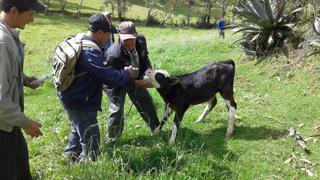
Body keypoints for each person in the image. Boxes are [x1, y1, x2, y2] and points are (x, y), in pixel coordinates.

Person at [58, 13, 150, 163]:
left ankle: (71, 159)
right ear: (100, 32)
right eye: (107, 34)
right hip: (81, 100)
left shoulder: (77, 39)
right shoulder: (90, 52)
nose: (108, 38)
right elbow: (109, 77)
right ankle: (87, 169)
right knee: (91, 139)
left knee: (77, 128)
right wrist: (126, 73)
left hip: (69, 95)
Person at [0, 0, 46, 179]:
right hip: (3, 126)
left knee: (20, 168)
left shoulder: (8, 36)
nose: (32, 20)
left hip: (9, 123)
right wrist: (26, 123)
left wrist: (24, 79)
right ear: (13, 11)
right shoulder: (3, 43)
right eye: (30, 15)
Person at [104, 21, 160, 144]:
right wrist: (137, 83)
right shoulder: (113, 55)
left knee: (146, 100)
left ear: (136, 35)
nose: (129, 43)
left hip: (136, 76)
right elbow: (115, 79)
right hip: (115, 82)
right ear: (119, 36)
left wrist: (148, 70)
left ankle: (156, 128)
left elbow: (145, 58)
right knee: (117, 109)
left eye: (132, 39)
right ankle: (112, 141)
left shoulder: (141, 40)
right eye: (126, 40)